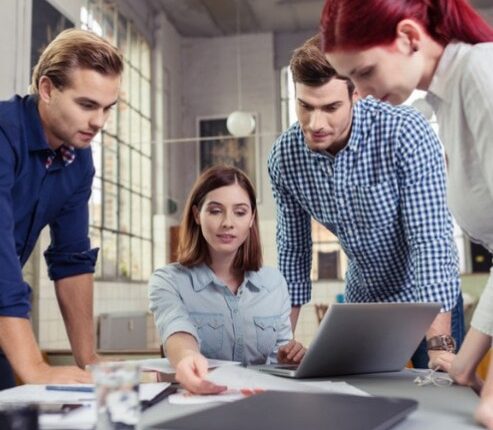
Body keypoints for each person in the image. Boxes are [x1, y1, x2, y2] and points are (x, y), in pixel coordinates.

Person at [320, 0, 493, 426]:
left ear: (410, 37)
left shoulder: (479, 72)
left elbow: (430, 242)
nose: (361, 93)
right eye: (351, 80)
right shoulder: (445, 100)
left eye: (365, 72)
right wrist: (465, 364)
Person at [267, 34, 464, 369]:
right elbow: (293, 254)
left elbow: (430, 242)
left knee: (438, 385)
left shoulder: (404, 133)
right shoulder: (285, 158)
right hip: (364, 300)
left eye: (331, 108)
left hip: (427, 298)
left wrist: (439, 347)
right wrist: (281, 341)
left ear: (355, 93)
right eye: (305, 107)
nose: (315, 124)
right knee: (360, 392)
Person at [0, 28, 123, 388]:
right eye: (87, 105)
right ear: (47, 89)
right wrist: (34, 367)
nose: (99, 122)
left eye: (107, 108)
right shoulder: (4, 135)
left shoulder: (78, 161)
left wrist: (88, 360)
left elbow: (72, 259)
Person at [148, 166, 305, 394]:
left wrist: (289, 358)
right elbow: (176, 329)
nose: (227, 223)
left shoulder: (274, 283)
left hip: (259, 402)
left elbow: (279, 355)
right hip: (197, 402)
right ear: (196, 215)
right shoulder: (168, 280)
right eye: (215, 211)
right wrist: (188, 357)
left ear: (251, 218)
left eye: (240, 212)